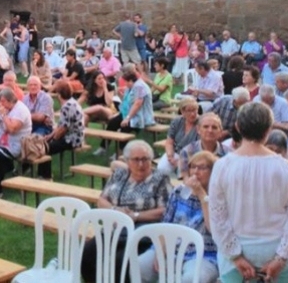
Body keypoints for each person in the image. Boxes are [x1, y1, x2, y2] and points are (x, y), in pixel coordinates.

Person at [209, 102, 288, 282]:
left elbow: (217, 216)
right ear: (269, 129)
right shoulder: (285, 167)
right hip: (278, 249)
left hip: (237, 251)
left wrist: (235, 256)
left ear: (238, 127)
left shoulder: (222, 166)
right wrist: (281, 257)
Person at [82, 140, 171, 282]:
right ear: (127, 161)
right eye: (136, 160)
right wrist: (115, 210)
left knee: (119, 263)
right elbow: (101, 200)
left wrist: (136, 216)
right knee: (87, 255)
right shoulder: (119, 174)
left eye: (145, 159)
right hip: (115, 229)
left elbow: (164, 210)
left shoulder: (160, 178)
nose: (141, 164)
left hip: (142, 233)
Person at [137, 151, 220, 283]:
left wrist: (201, 194)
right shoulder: (178, 192)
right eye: (193, 167)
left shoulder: (218, 197)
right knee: (140, 265)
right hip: (172, 247)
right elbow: (165, 225)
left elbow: (214, 229)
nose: (196, 172)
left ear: (213, 172)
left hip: (204, 254)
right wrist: (160, 250)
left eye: (202, 168)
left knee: (192, 279)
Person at [38, 81, 84, 180]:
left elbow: (63, 129)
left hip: (72, 140)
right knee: (44, 142)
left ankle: (46, 176)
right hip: (73, 136)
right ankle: (42, 174)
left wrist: (52, 139)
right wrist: (49, 137)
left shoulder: (67, 107)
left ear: (59, 94)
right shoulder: (72, 102)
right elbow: (60, 126)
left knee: (45, 148)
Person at [106, 63, 154, 138]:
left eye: (125, 81)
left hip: (140, 116)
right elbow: (127, 102)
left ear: (130, 80)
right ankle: (103, 147)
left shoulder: (139, 86)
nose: (124, 83)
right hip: (129, 113)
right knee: (112, 122)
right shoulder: (130, 86)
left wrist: (127, 118)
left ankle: (122, 149)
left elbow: (138, 104)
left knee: (124, 127)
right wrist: (119, 95)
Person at [157, 97, 200, 176]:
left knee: (182, 173)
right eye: (189, 111)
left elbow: (200, 148)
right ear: (182, 111)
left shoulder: (201, 123)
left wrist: (183, 162)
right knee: (161, 169)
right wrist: (170, 157)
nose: (193, 113)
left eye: (195, 110)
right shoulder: (177, 121)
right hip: (176, 152)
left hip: (193, 156)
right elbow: (169, 142)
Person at [178, 112, 226, 178]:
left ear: (220, 132)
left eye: (214, 127)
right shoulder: (187, 152)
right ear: (198, 130)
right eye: (205, 127)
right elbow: (186, 179)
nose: (210, 130)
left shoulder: (229, 153)